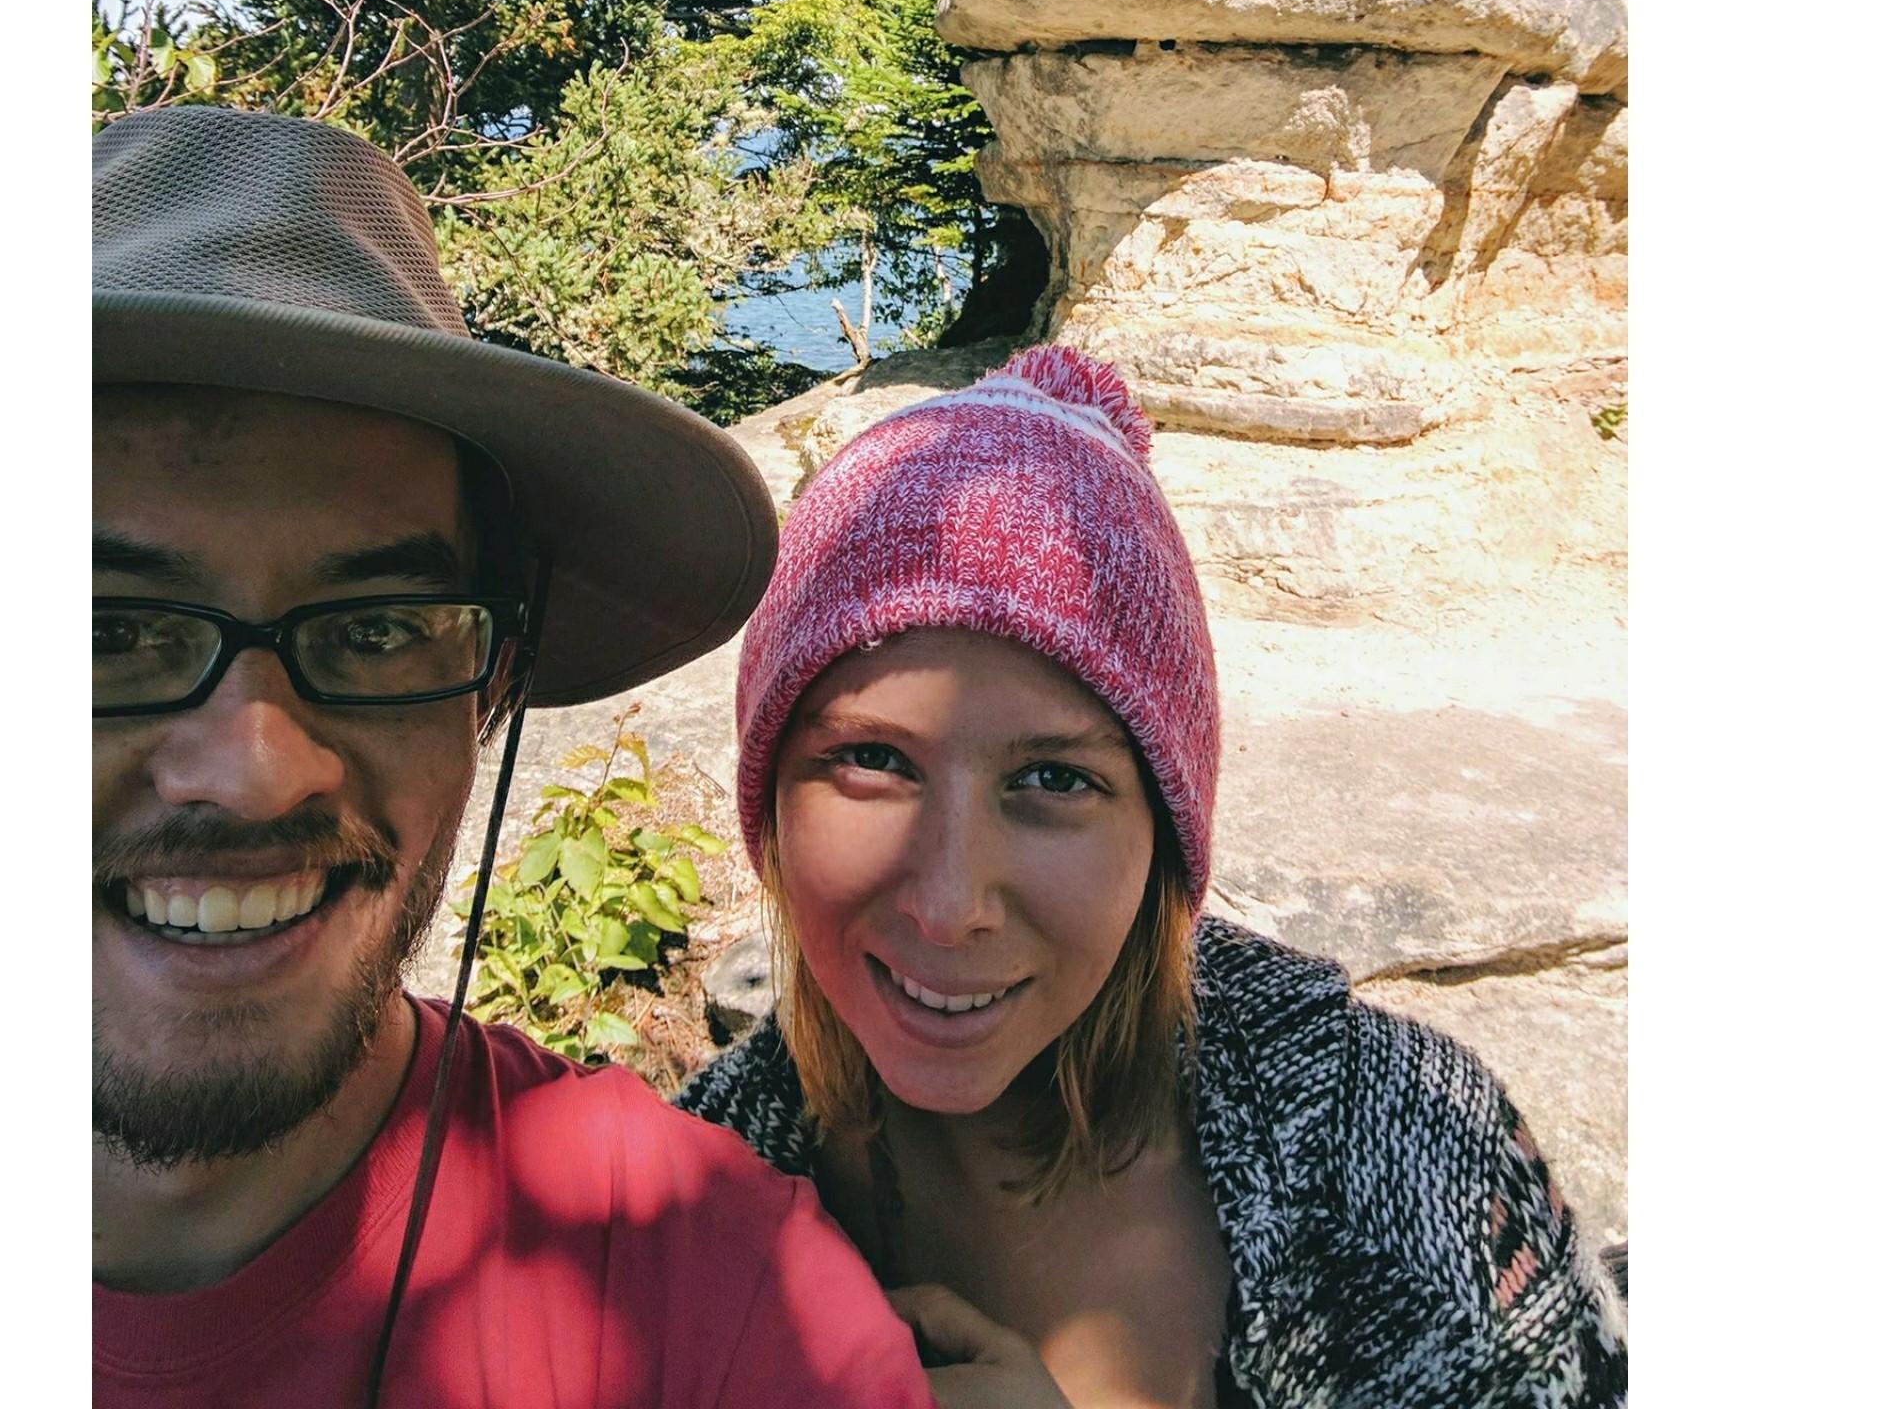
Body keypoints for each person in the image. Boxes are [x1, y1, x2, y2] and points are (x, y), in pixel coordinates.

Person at [92, 106, 937, 1409]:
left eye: (376, 631)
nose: (254, 767)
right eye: (110, 632)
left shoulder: (708, 1301)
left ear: (495, 686)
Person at [678, 345, 1629, 1409]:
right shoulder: (676, 1213)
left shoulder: (1405, 1146)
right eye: (871, 759)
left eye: (1052, 777)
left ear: (1165, 833)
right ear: (768, 800)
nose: (949, 905)